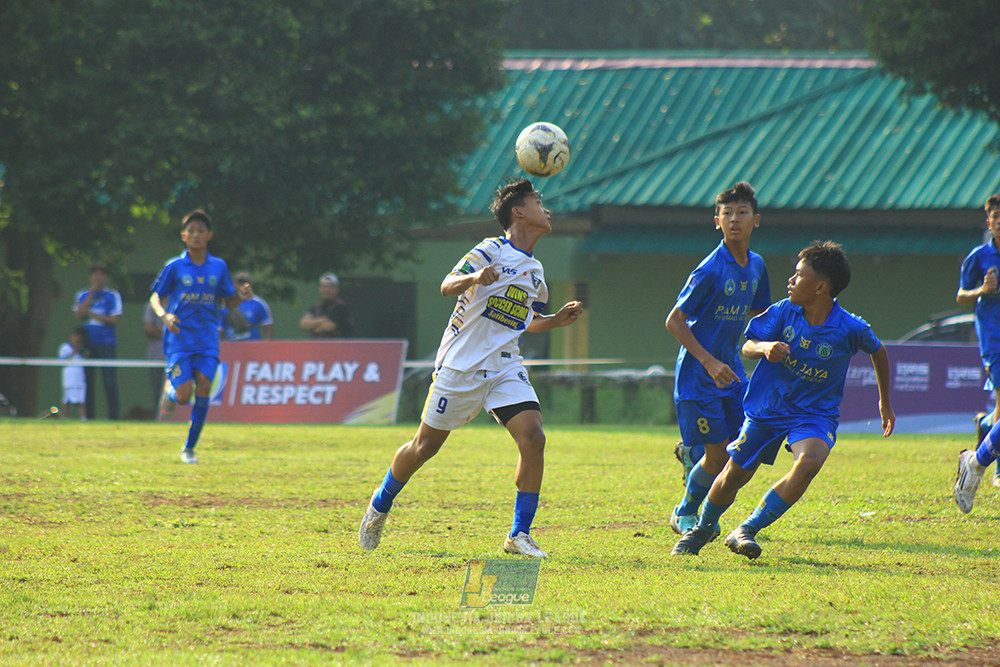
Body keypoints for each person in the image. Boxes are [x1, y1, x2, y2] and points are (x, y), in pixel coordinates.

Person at [358, 179, 584, 558]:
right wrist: (475, 277)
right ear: (518, 211)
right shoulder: (490, 249)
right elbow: (447, 285)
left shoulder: (535, 270)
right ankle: (379, 505)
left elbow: (525, 319)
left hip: (504, 365)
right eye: (537, 201)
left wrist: (555, 320)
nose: (546, 210)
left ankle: (519, 534)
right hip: (460, 367)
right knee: (423, 447)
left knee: (533, 437)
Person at [672, 241, 895, 559]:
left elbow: (879, 351)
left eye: (798, 274)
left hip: (814, 415)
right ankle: (703, 527)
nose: (790, 280)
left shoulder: (850, 327)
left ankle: (746, 529)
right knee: (735, 475)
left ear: (820, 287)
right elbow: (747, 346)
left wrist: (884, 402)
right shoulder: (781, 312)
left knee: (810, 461)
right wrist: (764, 348)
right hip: (768, 409)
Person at [665, 182, 771, 539]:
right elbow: (674, 321)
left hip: (733, 373)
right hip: (699, 375)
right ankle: (686, 511)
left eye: (742, 213)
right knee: (718, 457)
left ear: (756, 220)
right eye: (727, 214)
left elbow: (759, 317)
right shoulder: (710, 270)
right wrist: (709, 362)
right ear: (717, 221)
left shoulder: (756, 265)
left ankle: (693, 462)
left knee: (741, 449)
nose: (734, 219)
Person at [149, 209, 241, 464]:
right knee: (183, 396)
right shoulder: (175, 266)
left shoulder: (218, 267)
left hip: (208, 338)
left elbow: (229, 302)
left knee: (203, 386)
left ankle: (189, 448)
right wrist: (164, 316)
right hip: (179, 339)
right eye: (191, 231)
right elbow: (156, 296)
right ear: (184, 236)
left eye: (201, 231)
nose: (196, 235)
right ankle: (170, 394)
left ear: (209, 235)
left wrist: (241, 297)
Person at [956, 193, 1000, 489]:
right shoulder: (979, 257)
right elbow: (961, 295)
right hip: (993, 334)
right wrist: (982, 290)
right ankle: (994, 471)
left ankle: (986, 425)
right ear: (989, 222)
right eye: (997, 218)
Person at [73, 264, 122, 420]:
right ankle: (90, 417)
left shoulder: (112, 295)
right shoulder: (82, 295)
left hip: (106, 343)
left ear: (106, 278)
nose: (98, 277)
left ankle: (114, 417)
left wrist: (92, 314)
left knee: (109, 382)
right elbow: (78, 315)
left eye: (102, 274)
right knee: (88, 383)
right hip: (88, 344)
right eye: (95, 274)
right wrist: (91, 295)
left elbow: (114, 319)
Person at [222, 271, 274, 341]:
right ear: (234, 284)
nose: (242, 286)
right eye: (239, 283)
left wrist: (266, 349)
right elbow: (220, 330)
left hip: (252, 346)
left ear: (250, 285)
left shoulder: (259, 304)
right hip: (232, 346)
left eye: (245, 283)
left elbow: (268, 328)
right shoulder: (227, 305)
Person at [299, 272, 354, 338]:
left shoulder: (341, 307)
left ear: (337, 289)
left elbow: (328, 327)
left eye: (330, 287)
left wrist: (313, 325)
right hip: (316, 346)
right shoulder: (316, 307)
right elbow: (303, 324)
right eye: (324, 287)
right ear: (320, 289)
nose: (327, 290)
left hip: (336, 346)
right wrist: (322, 320)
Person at [142, 302, 167, 414]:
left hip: (175, 357)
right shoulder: (151, 306)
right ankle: (158, 416)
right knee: (157, 389)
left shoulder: (177, 303)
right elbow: (149, 329)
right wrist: (169, 331)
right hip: (155, 357)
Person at [59, 327, 88, 420]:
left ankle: (83, 419)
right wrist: (74, 351)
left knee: (81, 400)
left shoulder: (82, 349)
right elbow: (63, 362)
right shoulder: (65, 348)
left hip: (79, 378)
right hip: (69, 378)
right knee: (66, 400)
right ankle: (64, 418)